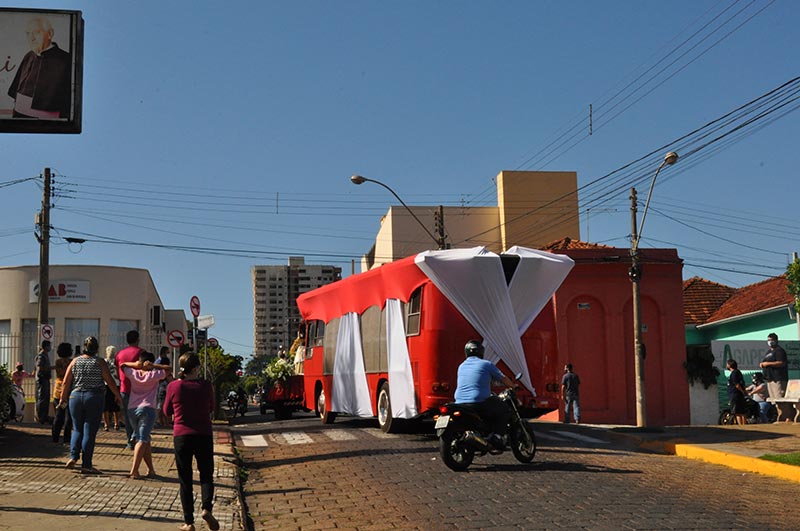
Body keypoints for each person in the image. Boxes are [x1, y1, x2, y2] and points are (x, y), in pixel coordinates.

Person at [164, 352, 220, 531]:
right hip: (203, 434)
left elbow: (166, 410)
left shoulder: (174, 386)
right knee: (206, 475)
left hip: (182, 436)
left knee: (185, 479)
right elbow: (212, 407)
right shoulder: (206, 386)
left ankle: (189, 522)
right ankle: (206, 509)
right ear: (196, 368)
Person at [60, 336, 122, 474]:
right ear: (96, 348)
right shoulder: (99, 362)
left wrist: (63, 398)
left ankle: (73, 456)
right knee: (89, 430)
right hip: (94, 397)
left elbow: (66, 382)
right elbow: (110, 381)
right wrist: (118, 396)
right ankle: (86, 464)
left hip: (75, 397)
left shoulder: (75, 361)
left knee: (77, 429)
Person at [453, 339, 515, 449]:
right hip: (478, 402)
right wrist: (513, 386)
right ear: (481, 352)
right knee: (504, 409)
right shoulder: (486, 364)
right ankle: (497, 436)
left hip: (459, 402)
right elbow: (503, 379)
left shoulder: (461, 366)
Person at [6, 16, 71, 120]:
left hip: (46, 120)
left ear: (50, 34)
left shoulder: (66, 60)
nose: (31, 38)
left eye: (37, 32)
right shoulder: (29, 55)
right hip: (19, 114)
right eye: (28, 33)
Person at [119, 351, 168, 479]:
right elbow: (168, 369)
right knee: (142, 439)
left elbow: (122, 365)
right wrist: (154, 366)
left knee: (145, 439)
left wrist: (136, 365)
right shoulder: (154, 375)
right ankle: (134, 470)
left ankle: (151, 470)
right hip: (147, 409)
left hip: (132, 409)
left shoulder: (133, 373)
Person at [116, 330, 144, 449]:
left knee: (128, 416)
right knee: (140, 414)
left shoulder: (120, 354)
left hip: (124, 388)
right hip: (139, 388)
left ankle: (129, 440)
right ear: (137, 339)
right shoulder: (141, 352)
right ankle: (137, 437)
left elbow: (117, 370)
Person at [760, 332, 790, 422]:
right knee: (775, 401)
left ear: (776, 340)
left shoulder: (779, 351)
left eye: (771, 340)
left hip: (778, 379)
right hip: (770, 379)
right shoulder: (768, 352)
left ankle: (787, 418)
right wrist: (763, 364)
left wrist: (767, 364)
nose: (770, 342)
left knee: (780, 398)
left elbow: (781, 363)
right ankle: (781, 417)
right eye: (768, 340)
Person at [51, 342, 73, 444]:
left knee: (62, 416)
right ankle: (64, 438)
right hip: (66, 391)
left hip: (59, 391)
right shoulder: (69, 362)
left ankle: (57, 438)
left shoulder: (59, 362)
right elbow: (62, 373)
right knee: (64, 417)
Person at [103, 345, 122, 431]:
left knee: (105, 405)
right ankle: (116, 423)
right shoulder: (116, 361)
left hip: (106, 384)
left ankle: (106, 424)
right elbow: (118, 373)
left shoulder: (104, 361)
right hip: (116, 384)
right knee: (116, 404)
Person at [35, 340, 53, 424]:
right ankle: (41, 417)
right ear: (46, 346)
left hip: (45, 379)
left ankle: (44, 416)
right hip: (42, 380)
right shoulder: (41, 355)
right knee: (42, 398)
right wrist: (49, 368)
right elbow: (40, 367)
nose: (50, 348)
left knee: (46, 399)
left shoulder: (45, 355)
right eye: (49, 346)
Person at [156, 347, 173, 427]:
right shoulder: (160, 363)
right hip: (163, 386)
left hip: (161, 385)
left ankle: (163, 422)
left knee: (162, 405)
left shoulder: (158, 362)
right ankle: (164, 422)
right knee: (163, 405)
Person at [726, 358, 747, 426]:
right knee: (740, 412)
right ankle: (743, 425)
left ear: (730, 365)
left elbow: (737, 384)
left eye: (727, 364)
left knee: (738, 412)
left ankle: (741, 426)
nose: (726, 365)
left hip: (736, 395)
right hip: (737, 394)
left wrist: (742, 391)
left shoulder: (734, 373)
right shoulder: (737, 372)